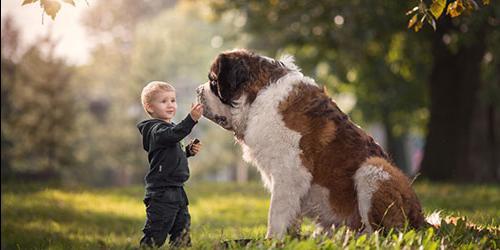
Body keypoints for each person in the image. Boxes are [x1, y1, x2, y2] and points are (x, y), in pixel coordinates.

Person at [137, 81, 203, 248]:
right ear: (150, 107)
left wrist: (187, 151)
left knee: (182, 233)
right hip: (162, 194)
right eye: (163, 101)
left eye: (173, 100)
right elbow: (173, 135)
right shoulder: (154, 130)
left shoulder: (168, 129)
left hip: (178, 191)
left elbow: (170, 153)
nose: (170, 105)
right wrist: (191, 119)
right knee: (155, 235)